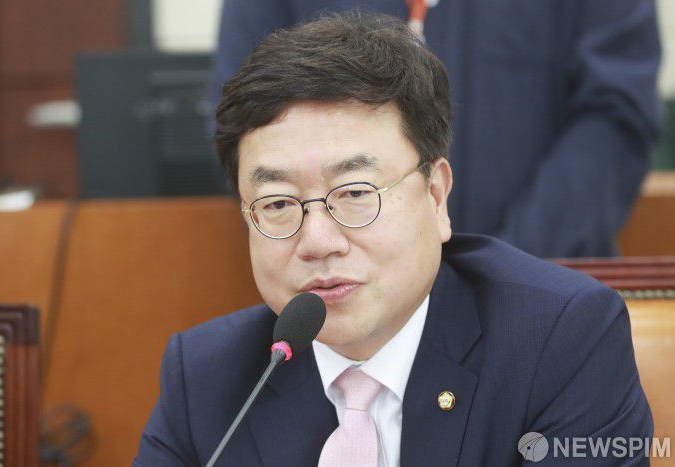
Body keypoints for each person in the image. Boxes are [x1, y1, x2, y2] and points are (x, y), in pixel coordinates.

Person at [135, 14, 652, 466]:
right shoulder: (208, 377)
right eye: (276, 203)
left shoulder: (559, 341)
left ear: (436, 195)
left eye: (355, 193)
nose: (318, 241)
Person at [212, 0, 662, 258]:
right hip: (340, 298)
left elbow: (615, 114)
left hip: (543, 286)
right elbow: (243, 120)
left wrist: (503, 269)